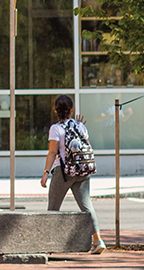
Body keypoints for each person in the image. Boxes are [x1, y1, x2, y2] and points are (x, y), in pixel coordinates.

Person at [40, 95, 106, 254]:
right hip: (82, 172)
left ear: (55, 110)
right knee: (87, 206)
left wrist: (46, 173)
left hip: (63, 174)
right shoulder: (81, 127)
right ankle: (98, 240)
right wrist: (78, 125)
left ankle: (49, 244)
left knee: (53, 208)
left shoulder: (55, 129)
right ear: (71, 110)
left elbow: (52, 152)